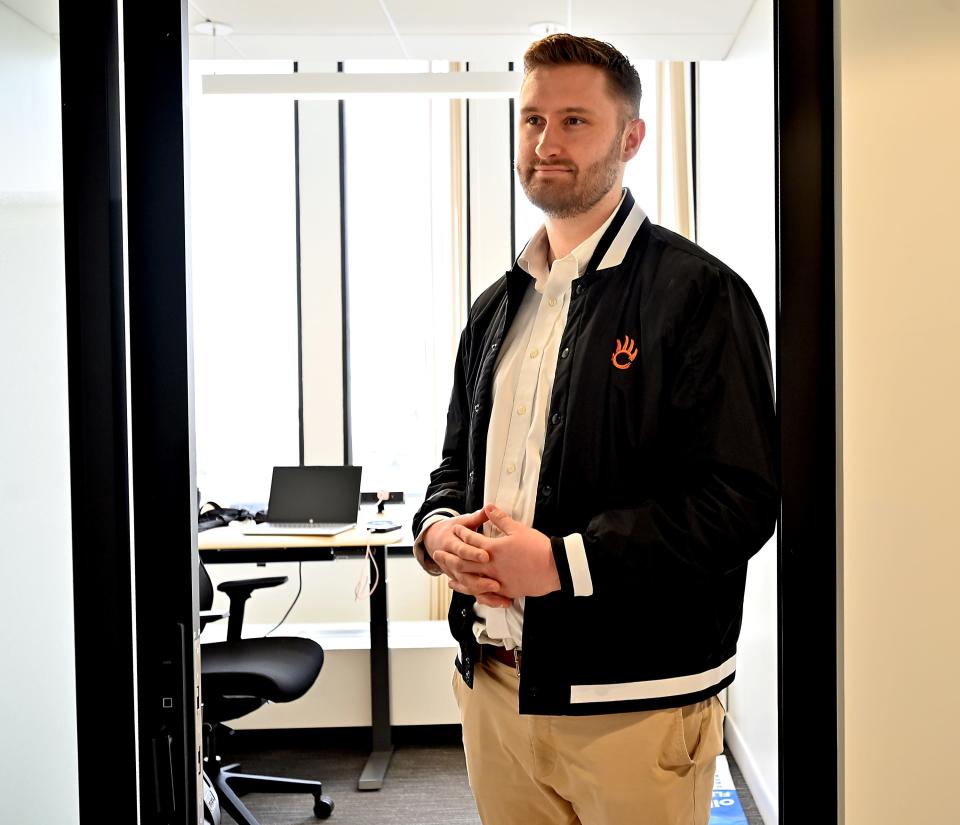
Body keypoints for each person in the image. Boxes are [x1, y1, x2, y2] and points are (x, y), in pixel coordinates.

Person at [411, 33, 778, 825]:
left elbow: (740, 501)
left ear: (631, 137)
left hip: (633, 708)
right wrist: (439, 533)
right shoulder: (497, 308)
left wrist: (562, 562)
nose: (546, 143)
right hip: (496, 693)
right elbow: (450, 470)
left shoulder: (700, 295)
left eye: (575, 120)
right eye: (532, 119)